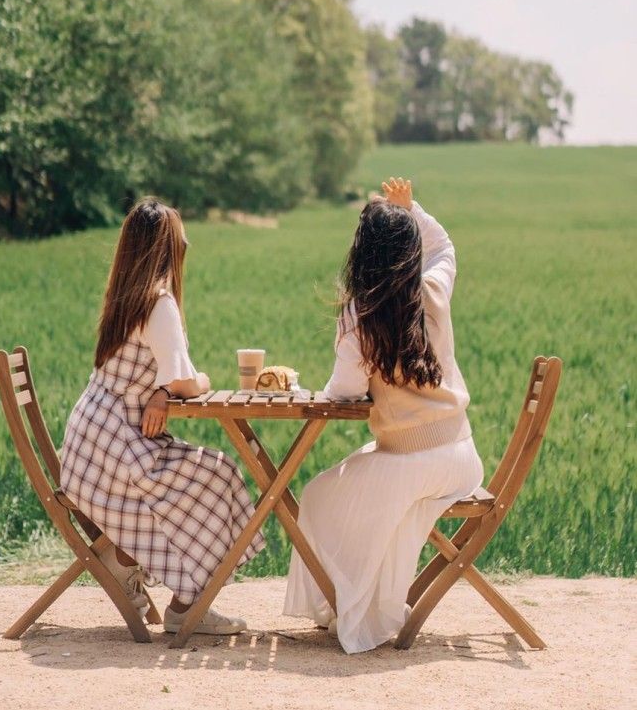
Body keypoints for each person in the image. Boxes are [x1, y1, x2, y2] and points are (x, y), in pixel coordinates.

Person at [284, 177, 484, 653]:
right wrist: (412, 210)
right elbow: (444, 246)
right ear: (409, 251)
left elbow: (344, 392)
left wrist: (302, 388)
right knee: (352, 488)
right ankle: (350, 603)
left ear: (362, 254)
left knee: (317, 496)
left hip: (407, 463)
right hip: (461, 457)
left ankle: (349, 606)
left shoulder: (359, 314)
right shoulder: (432, 291)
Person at [60, 198, 264, 636]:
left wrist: (163, 389)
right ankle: (190, 604)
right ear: (167, 247)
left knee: (203, 476)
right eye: (180, 237)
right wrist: (182, 383)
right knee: (219, 475)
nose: (186, 241)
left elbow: (171, 379)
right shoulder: (159, 303)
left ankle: (141, 570)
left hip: (89, 448)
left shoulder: (124, 299)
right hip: (118, 451)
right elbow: (187, 381)